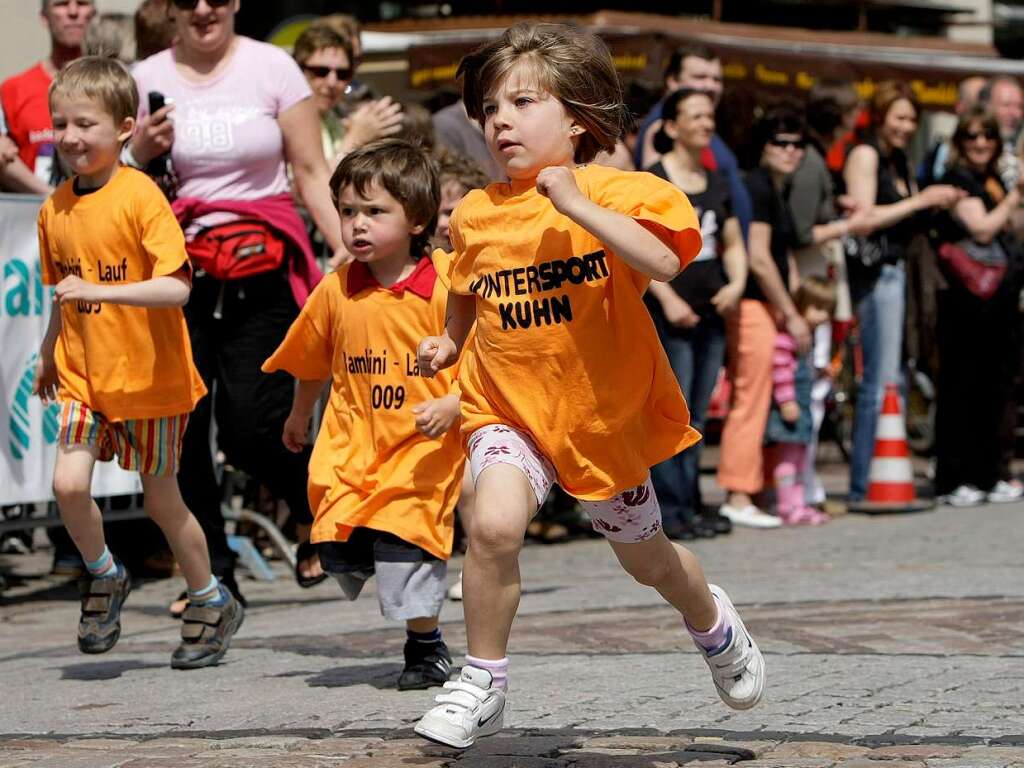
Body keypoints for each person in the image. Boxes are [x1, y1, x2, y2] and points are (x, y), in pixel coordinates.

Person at [413, 22, 766, 749]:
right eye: (489, 109)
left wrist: (576, 205)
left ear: (575, 117)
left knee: (650, 563)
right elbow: (466, 290)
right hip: (505, 410)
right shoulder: (476, 213)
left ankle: (714, 624)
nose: (500, 120)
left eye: (521, 102)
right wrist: (448, 338)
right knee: (492, 525)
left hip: (598, 421)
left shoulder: (621, 190)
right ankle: (482, 680)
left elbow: (665, 264)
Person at [129, 0, 344, 607]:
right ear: (170, 8)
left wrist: (344, 245)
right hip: (177, 272)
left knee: (255, 426)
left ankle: (312, 509)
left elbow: (309, 169)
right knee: (188, 429)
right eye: (188, 0)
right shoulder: (145, 78)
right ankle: (215, 576)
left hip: (262, 265)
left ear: (234, 3)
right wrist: (139, 151)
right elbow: (118, 182)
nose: (203, 9)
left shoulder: (272, 66)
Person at [32, 57, 243, 668]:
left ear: (125, 127)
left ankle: (209, 596)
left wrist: (101, 292)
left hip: (151, 379)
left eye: (86, 124)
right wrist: (49, 351)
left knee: (162, 503)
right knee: (66, 485)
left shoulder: (140, 195)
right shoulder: (54, 210)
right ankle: (103, 573)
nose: (70, 136)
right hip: (84, 376)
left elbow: (176, 288)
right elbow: (63, 293)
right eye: (60, 123)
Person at [263, 140, 465, 690]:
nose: (357, 225)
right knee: (336, 548)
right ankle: (372, 565)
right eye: (348, 211)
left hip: (421, 451)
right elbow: (312, 358)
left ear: (418, 218)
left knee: (406, 549)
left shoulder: (446, 283)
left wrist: (455, 403)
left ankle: (426, 648)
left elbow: (487, 353)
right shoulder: (336, 289)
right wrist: (300, 414)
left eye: (375, 212)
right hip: (349, 448)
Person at [842, 82, 962, 502]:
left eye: (913, 119)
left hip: (901, 274)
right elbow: (863, 219)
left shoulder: (899, 160)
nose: (907, 127)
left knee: (893, 376)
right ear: (880, 116)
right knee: (880, 380)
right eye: (899, 117)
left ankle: (878, 476)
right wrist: (920, 200)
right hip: (878, 275)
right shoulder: (866, 154)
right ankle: (863, 484)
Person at [645, 87, 747, 539]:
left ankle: (691, 502)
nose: (706, 124)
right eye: (696, 116)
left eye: (710, 116)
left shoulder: (718, 180)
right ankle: (671, 509)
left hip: (710, 312)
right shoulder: (653, 181)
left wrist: (737, 284)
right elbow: (635, 252)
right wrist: (669, 299)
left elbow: (734, 244)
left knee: (700, 415)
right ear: (671, 126)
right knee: (674, 414)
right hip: (671, 313)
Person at [717, 105, 808, 529]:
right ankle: (737, 492)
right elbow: (759, 258)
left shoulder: (772, 187)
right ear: (763, 146)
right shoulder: (758, 187)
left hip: (763, 306)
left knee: (760, 397)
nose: (791, 151)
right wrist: (791, 314)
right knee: (750, 399)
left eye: (798, 144)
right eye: (781, 143)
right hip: (754, 306)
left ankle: (753, 487)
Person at [933, 107, 1024, 505]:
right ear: (959, 143)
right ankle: (956, 477)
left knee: (996, 386)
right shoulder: (957, 180)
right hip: (964, 302)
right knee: (962, 386)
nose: (981, 143)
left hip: (999, 302)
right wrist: (1018, 195)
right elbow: (983, 229)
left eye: (988, 136)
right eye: (971, 136)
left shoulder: (992, 181)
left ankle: (989, 474)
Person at [633, 45, 752, 236]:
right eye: (700, 77)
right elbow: (656, 200)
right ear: (673, 81)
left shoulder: (704, 126)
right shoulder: (662, 126)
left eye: (717, 79)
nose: (711, 86)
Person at [764, 278, 836, 525]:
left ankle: (798, 503)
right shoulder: (787, 339)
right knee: (788, 459)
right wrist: (786, 401)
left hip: (802, 407)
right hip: (791, 406)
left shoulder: (808, 340)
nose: (823, 316)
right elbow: (781, 371)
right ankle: (786, 505)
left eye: (827, 310)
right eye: (818, 308)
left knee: (799, 456)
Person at [2, 0, 95, 187]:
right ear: (44, 17)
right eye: (61, 4)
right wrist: (49, 197)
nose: (73, 11)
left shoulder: (114, 86)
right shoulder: (12, 90)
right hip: (32, 212)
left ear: (93, 14)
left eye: (82, 3)